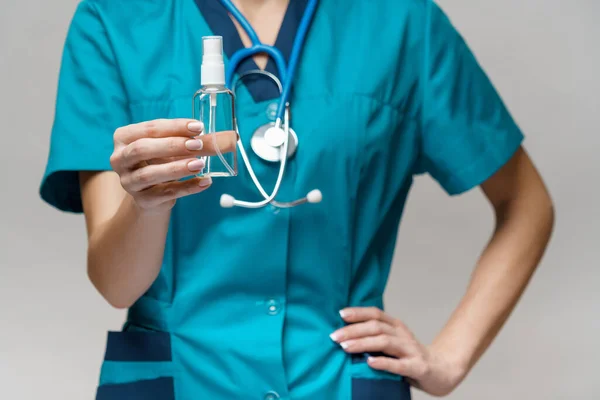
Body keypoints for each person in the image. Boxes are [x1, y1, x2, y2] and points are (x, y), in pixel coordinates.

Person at [39, 0, 555, 399]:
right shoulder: (115, 19)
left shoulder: (400, 21)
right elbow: (116, 284)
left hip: (337, 380)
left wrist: (449, 361)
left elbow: (526, 205)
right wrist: (147, 205)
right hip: (181, 378)